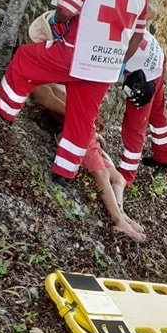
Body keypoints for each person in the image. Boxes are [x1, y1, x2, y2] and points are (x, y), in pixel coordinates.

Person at [0, 0, 148, 182]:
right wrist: (117, 63)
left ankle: (2, 111)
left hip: (75, 53)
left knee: (25, 58)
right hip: (106, 67)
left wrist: (56, 23)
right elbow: (137, 37)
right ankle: (64, 172)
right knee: (83, 119)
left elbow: (65, 11)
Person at [30, 80, 147, 243]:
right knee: (101, 173)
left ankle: (122, 214)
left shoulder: (66, 81)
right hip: (74, 132)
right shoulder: (41, 84)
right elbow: (47, 101)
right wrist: (86, 116)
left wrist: (93, 117)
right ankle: (118, 220)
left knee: (119, 179)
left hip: (88, 133)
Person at [117, 7, 167, 186]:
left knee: (134, 125)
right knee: (157, 110)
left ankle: (126, 175)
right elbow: (152, 12)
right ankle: (164, 156)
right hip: (156, 56)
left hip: (144, 74)